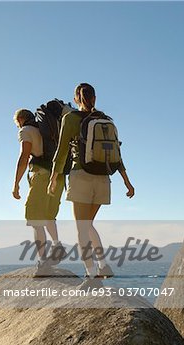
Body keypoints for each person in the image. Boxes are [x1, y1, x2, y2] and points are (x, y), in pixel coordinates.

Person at [48, 83, 135, 289]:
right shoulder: (106, 120)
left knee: (81, 228)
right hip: (104, 179)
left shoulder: (70, 119)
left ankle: (91, 275)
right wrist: (127, 181)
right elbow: (117, 155)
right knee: (88, 225)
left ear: (76, 99)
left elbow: (61, 152)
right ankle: (103, 266)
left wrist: (53, 178)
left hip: (82, 176)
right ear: (94, 98)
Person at [12, 109, 66, 277]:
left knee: (36, 220)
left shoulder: (26, 131)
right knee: (49, 216)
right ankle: (57, 246)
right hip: (58, 177)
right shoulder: (46, 131)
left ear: (20, 120)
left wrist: (16, 184)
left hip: (41, 177)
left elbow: (24, 155)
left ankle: (43, 263)